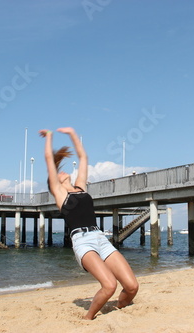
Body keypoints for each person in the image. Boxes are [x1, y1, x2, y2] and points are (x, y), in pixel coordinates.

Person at [39, 127, 139, 320]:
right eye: (58, 173)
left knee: (132, 287)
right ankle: (88, 319)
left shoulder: (80, 187)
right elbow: (49, 161)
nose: (61, 172)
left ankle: (119, 308)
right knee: (110, 285)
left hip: (100, 238)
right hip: (83, 242)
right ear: (54, 183)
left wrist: (72, 134)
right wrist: (49, 137)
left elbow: (83, 158)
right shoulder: (60, 194)